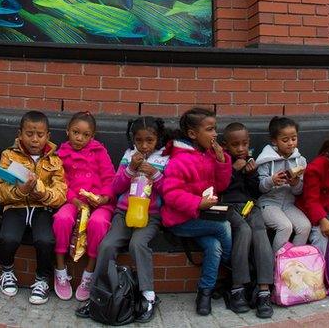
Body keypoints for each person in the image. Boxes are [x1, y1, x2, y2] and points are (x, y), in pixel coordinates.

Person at [76, 116, 169, 323]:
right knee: (107, 245)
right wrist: (129, 170)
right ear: (133, 140)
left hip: (150, 215)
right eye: (139, 140)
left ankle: (148, 297)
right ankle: (98, 295)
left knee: (138, 244)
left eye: (149, 140)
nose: (144, 146)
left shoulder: (165, 158)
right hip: (124, 213)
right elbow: (116, 188)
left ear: (158, 139)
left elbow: (170, 191)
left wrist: (155, 174)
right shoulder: (129, 156)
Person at [161, 107, 232, 316]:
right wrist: (198, 203)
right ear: (193, 134)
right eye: (210, 129)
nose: (215, 134)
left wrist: (221, 161)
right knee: (223, 227)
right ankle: (233, 270)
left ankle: (205, 293)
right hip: (181, 220)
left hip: (202, 216)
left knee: (215, 246)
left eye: (215, 129)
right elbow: (171, 194)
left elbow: (222, 185)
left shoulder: (209, 155)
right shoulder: (179, 160)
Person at [0, 110, 66, 305]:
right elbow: (1, 191)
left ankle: (42, 280)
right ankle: (7, 270)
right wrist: (21, 191)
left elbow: (61, 193)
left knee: (45, 240)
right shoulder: (9, 155)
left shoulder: (55, 160)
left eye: (40, 135)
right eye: (29, 134)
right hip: (15, 206)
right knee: (8, 238)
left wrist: (43, 194)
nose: (35, 139)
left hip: (42, 208)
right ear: (20, 134)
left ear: (48, 136)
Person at [52, 112, 115, 302]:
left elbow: (109, 177)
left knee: (98, 222)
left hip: (98, 202)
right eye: (75, 132)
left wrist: (104, 198)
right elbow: (61, 183)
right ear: (67, 131)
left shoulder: (99, 152)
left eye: (86, 135)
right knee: (62, 219)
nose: (80, 138)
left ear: (92, 136)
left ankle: (89, 274)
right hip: (73, 200)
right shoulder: (61, 154)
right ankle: (60, 269)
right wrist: (73, 200)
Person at [220, 122, 273, 318]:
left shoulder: (250, 160)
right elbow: (220, 188)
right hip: (229, 207)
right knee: (244, 231)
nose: (241, 149)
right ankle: (237, 288)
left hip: (251, 205)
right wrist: (233, 170)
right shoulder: (222, 161)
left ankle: (264, 290)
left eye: (244, 143)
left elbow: (255, 191)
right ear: (226, 145)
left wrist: (251, 174)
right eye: (235, 145)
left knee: (260, 231)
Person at [255, 116, 310, 251]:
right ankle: (276, 264)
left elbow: (299, 191)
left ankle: (292, 263)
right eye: (285, 140)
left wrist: (295, 183)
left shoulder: (300, 161)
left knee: (305, 226)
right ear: (275, 141)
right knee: (285, 227)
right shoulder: (266, 160)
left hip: (289, 204)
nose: (290, 143)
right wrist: (271, 180)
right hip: (268, 203)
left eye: (294, 138)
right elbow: (260, 188)